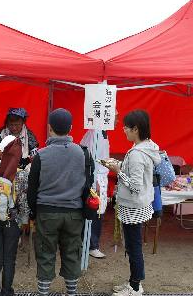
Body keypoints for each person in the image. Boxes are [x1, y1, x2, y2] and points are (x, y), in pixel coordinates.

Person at [27, 108, 86, 296]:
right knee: (71, 253)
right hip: (74, 212)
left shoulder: (41, 155)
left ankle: (44, 293)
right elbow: (87, 184)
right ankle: (71, 293)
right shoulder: (81, 153)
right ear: (70, 128)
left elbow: (32, 189)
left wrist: (34, 212)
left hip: (47, 212)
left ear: (49, 127)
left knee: (45, 254)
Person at [106, 110, 160, 296]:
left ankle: (135, 286)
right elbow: (136, 175)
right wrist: (119, 165)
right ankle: (133, 282)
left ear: (136, 129)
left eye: (126, 127)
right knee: (133, 245)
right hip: (139, 205)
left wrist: (117, 170)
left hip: (133, 206)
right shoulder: (147, 146)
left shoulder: (137, 153)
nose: (123, 130)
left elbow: (135, 185)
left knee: (133, 247)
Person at [0, 136, 30, 296]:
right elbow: (24, 202)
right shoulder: (22, 175)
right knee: (9, 259)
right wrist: (24, 221)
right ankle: (7, 291)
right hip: (12, 221)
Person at [80, 110, 119, 259]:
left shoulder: (103, 133)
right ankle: (91, 245)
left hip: (101, 176)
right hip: (95, 178)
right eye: (116, 118)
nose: (117, 121)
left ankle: (91, 243)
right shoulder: (94, 133)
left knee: (98, 211)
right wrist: (94, 179)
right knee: (94, 211)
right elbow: (88, 158)